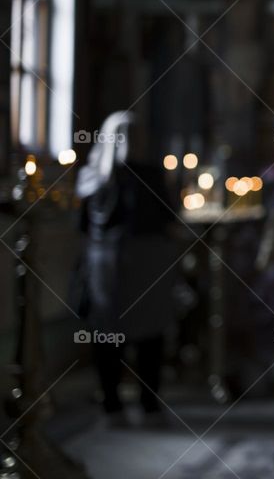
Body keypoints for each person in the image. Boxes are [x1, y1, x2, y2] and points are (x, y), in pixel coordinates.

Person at [72, 111, 179, 426]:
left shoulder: (103, 177)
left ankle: (136, 403)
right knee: (114, 336)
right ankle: (119, 403)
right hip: (112, 268)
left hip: (135, 266)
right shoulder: (100, 178)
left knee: (141, 336)